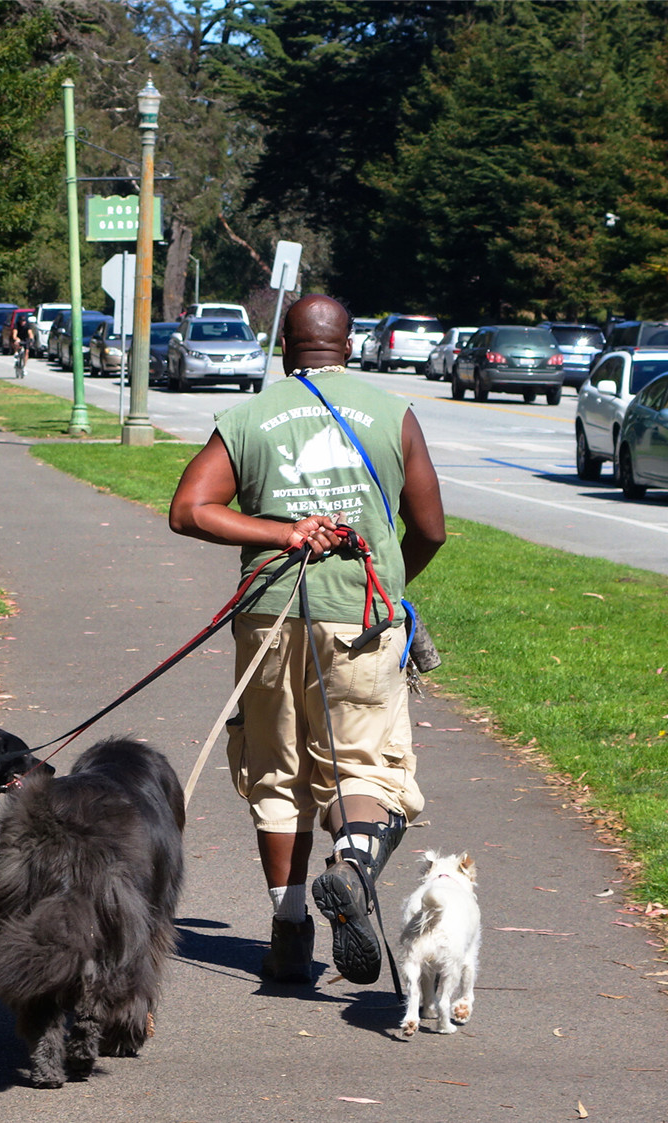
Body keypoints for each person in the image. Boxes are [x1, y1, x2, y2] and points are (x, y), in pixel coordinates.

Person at [167, 293, 447, 987]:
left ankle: (289, 933)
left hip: (268, 616)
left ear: (284, 348)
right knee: (362, 766)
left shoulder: (249, 417)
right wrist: (385, 576)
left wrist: (279, 531)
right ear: (349, 345)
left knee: (276, 769)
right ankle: (352, 865)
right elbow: (433, 527)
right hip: (361, 616)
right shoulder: (392, 414)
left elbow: (188, 510)